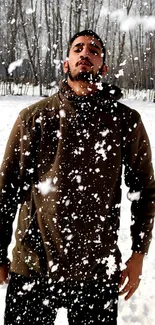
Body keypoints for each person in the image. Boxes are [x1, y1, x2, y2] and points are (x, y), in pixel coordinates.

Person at [0, 29, 155, 325]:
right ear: (66, 63)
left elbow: (145, 190)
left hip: (95, 270)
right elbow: (6, 188)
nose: (86, 53)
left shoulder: (125, 121)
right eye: (78, 48)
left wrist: (138, 253)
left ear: (104, 67)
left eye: (94, 50)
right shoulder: (35, 118)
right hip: (35, 264)